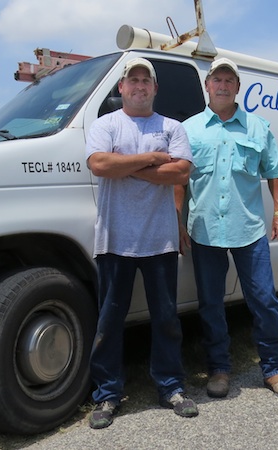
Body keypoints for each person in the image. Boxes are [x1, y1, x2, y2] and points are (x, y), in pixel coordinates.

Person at [175, 57, 278, 401]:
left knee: (265, 300)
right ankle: (219, 369)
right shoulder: (189, 129)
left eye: (230, 79)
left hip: (250, 229)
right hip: (205, 230)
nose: (223, 85)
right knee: (211, 304)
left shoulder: (259, 127)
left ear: (237, 87)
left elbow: (274, 172)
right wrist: (179, 222)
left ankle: (274, 369)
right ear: (207, 86)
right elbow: (180, 181)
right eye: (217, 79)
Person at [85, 57, 198, 429]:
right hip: (114, 240)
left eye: (145, 80)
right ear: (122, 88)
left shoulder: (172, 127)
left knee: (166, 319)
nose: (138, 86)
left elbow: (181, 172)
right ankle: (107, 395)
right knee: (109, 321)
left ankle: (171, 387)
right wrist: (151, 159)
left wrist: (126, 165)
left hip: (160, 240)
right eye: (132, 80)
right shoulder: (105, 124)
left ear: (155, 88)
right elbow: (100, 165)